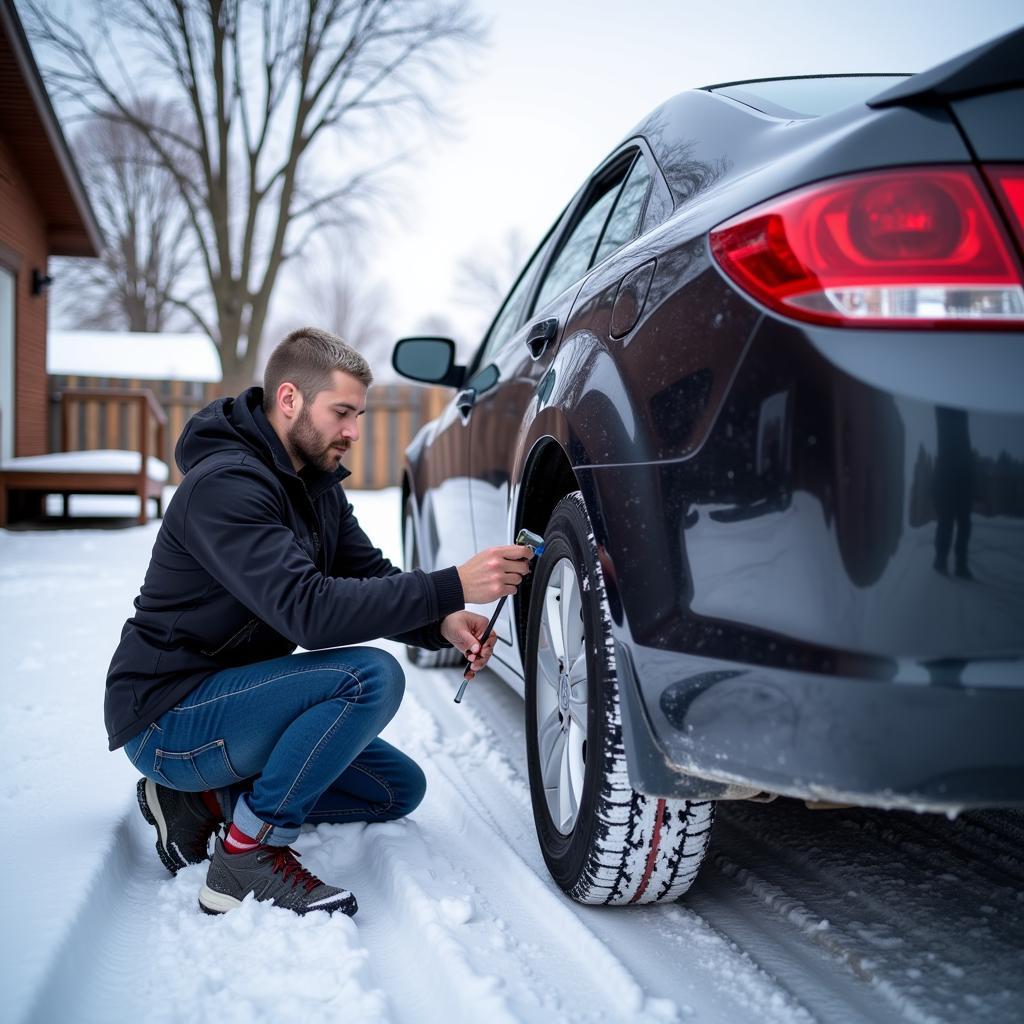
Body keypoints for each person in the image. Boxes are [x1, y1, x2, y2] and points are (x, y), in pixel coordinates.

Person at [104, 327, 534, 917]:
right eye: (342, 413)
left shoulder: (315, 484)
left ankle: (200, 800)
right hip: (168, 715)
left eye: (358, 414)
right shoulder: (225, 485)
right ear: (289, 400)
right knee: (371, 678)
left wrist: (442, 621)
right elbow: (308, 612)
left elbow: (367, 573)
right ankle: (247, 854)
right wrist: (452, 582)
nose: (354, 431)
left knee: (396, 788)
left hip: (236, 700)